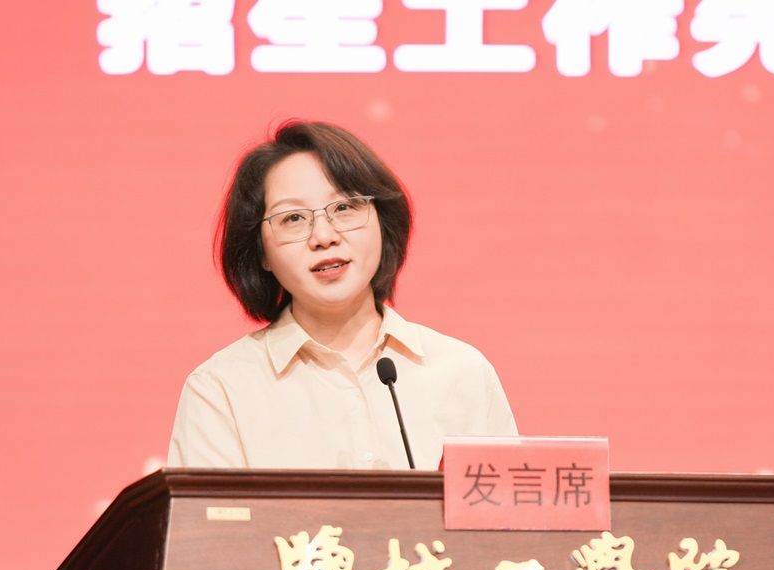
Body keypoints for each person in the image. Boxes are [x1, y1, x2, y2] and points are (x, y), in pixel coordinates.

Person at [167, 120, 517, 469]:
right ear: (261, 253)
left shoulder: (462, 373)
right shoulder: (222, 390)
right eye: (293, 218)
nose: (324, 236)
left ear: (383, 222)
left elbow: (506, 504)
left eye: (344, 208)